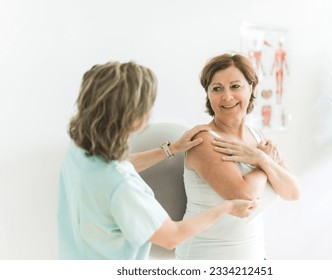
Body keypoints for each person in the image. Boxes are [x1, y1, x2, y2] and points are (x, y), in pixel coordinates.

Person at [57, 61, 258, 260]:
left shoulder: (79, 151)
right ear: (134, 115)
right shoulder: (122, 186)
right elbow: (172, 237)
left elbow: (118, 166)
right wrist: (227, 207)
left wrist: (172, 149)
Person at [175, 53, 300, 260]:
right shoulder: (204, 140)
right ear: (208, 94)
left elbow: (292, 192)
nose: (227, 97)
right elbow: (244, 199)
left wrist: (262, 159)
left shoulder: (258, 137)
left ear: (251, 88)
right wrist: (263, 162)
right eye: (217, 89)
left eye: (235, 86)